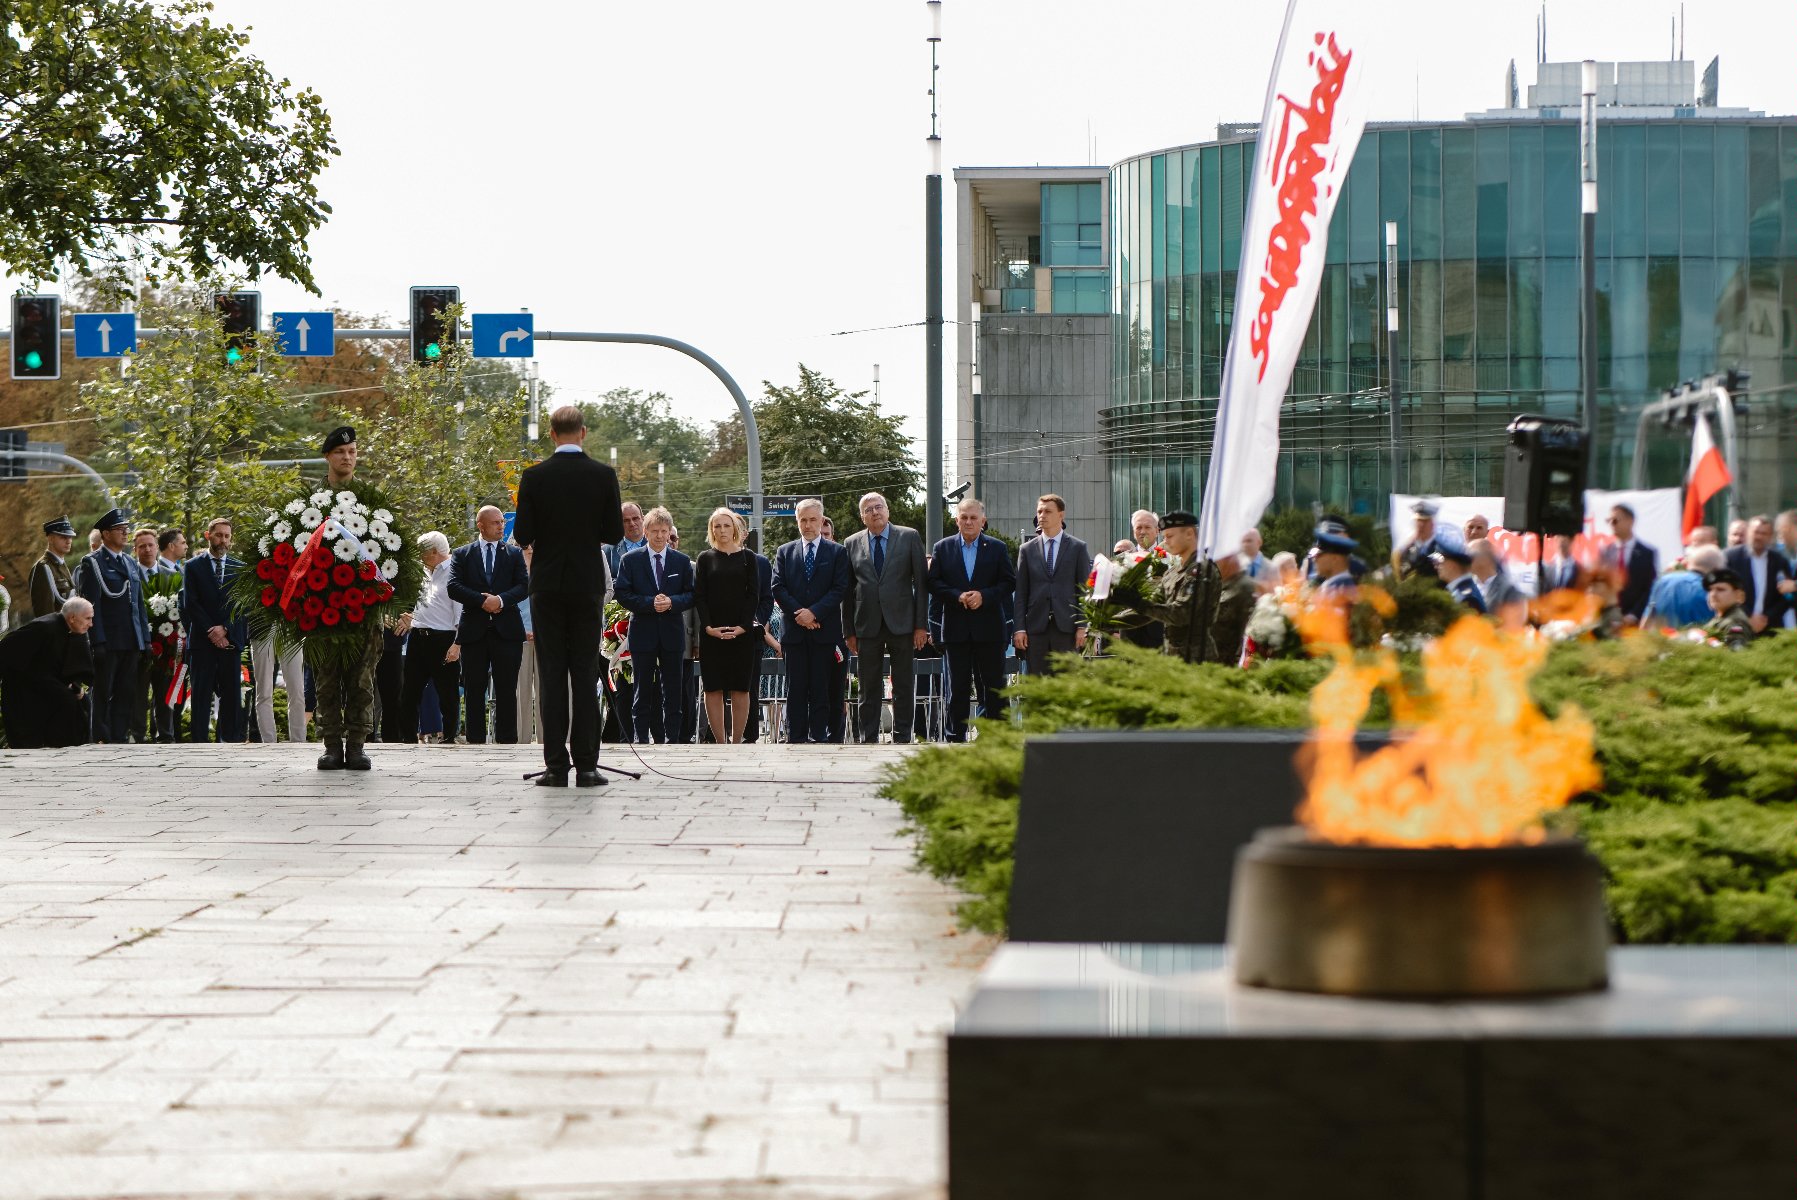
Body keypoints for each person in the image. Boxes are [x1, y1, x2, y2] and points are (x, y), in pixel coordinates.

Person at [511, 405, 624, 786]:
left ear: (552, 434)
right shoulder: (603, 475)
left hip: (546, 584)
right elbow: (613, 533)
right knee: (585, 673)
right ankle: (588, 766)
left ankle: (557, 766)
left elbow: (522, 533)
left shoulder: (534, 477)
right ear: (584, 433)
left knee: (553, 675)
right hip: (587, 583)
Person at [305, 426, 389, 771]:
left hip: (363, 605)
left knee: (361, 678)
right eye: (341, 452)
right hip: (323, 604)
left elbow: (387, 548)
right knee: (326, 678)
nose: (348, 457)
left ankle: (357, 744)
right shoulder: (311, 501)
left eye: (353, 451)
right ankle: (330, 745)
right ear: (328, 456)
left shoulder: (370, 499)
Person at [841, 491, 929, 743]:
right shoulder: (851, 543)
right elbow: (846, 591)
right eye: (868, 510)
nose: (874, 512)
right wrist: (848, 631)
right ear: (862, 517)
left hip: (903, 623)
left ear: (888, 511)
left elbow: (921, 585)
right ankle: (867, 737)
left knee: (902, 685)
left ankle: (902, 736)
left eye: (878, 507)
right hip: (866, 625)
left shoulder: (909, 536)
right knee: (868, 687)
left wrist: (920, 625)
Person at [926, 498, 1015, 740]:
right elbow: (933, 583)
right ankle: (955, 737)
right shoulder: (942, 548)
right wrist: (957, 596)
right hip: (956, 630)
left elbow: (1008, 582)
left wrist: (984, 596)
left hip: (989, 630)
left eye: (973, 518)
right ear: (956, 520)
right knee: (957, 688)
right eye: (963, 517)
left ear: (983, 521)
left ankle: (997, 738)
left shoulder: (997, 548)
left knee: (994, 688)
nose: (968, 522)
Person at [772, 498, 852, 743]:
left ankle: (819, 736)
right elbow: (778, 587)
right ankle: (795, 737)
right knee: (795, 688)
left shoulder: (837, 552)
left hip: (824, 632)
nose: (808, 525)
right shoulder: (785, 551)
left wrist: (814, 613)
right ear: (797, 521)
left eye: (812, 520)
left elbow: (840, 588)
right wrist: (801, 615)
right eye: (803, 520)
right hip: (794, 634)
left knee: (821, 688)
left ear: (821, 520)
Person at [447, 505, 529, 743]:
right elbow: (453, 586)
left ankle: (506, 741)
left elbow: (523, 586)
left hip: (507, 631)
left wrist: (500, 600)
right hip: (474, 630)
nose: (501, 527)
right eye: (496, 523)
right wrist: (482, 601)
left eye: (502, 522)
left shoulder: (513, 554)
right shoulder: (463, 554)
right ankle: (475, 740)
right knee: (474, 688)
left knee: (506, 688)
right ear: (480, 525)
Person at [615, 506, 692, 745]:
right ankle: (641, 737)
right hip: (643, 632)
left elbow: (691, 594)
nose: (660, 536)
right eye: (655, 531)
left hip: (672, 633)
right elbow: (622, 593)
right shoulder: (631, 560)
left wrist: (671, 602)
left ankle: (673, 738)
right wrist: (650, 603)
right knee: (642, 689)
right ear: (646, 532)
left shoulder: (681, 562)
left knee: (673, 689)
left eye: (664, 531)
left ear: (670, 533)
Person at [79, 507, 150, 743]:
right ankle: (100, 735)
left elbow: (137, 604)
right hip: (108, 640)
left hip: (130, 638)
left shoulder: (130, 563)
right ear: (106, 534)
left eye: (126, 529)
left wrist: (145, 639)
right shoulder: (93, 563)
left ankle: (119, 735)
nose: (125, 533)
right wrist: (96, 640)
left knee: (125, 691)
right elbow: (91, 604)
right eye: (120, 530)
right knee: (102, 691)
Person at [694, 508, 761, 744]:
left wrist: (743, 626)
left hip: (741, 633)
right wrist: (709, 627)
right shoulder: (705, 558)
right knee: (712, 688)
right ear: (711, 530)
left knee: (740, 688)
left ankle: (736, 742)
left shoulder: (748, 558)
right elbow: (699, 596)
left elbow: (753, 595)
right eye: (717, 526)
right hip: (712, 634)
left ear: (735, 528)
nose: (722, 530)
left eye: (726, 525)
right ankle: (720, 743)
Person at [181, 516, 246, 743]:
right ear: (208, 535)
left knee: (231, 694)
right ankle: (199, 742)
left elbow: (242, 604)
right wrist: (212, 629)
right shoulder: (192, 567)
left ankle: (230, 740)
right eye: (218, 535)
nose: (223, 540)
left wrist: (226, 629)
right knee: (201, 694)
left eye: (227, 536)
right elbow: (191, 603)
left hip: (230, 640)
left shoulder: (240, 568)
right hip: (202, 641)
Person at [1013, 494, 1091, 677]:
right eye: (1039, 511)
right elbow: (1021, 592)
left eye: (1048, 511)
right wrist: (1019, 628)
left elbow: (1083, 591)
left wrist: (1082, 626)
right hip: (1035, 628)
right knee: (1037, 687)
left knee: (1066, 685)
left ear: (1061, 515)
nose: (1042, 515)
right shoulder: (1026, 549)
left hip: (1067, 628)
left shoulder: (1077, 547)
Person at [0, 596, 95, 747]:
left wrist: (75, 685)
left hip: (48, 683)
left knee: (78, 701)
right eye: (88, 618)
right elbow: (7, 650)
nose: (91, 624)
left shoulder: (75, 632)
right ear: (72, 618)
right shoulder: (44, 627)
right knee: (66, 701)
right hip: (26, 687)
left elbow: (75, 667)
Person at [396, 531, 463, 744]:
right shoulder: (425, 572)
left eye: (422, 551)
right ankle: (407, 737)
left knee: (447, 692)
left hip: (444, 639)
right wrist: (411, 618)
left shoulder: (455, 572)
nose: (419, 555)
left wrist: (457, 645)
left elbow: (460, 613)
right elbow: (430, 605)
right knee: (409, 691)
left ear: (433, 552)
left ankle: (450, 736)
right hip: (418, 636)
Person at [1146, 510, 1221, 662]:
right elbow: (1152, 605)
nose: (1165, 541)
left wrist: (1138, 604)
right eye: (1164, 537)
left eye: (1170, 536)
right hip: (1173, 656)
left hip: (1197, 659)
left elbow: (1181, 613)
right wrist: (1110, 619)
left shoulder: (1202, 571)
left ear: (1189, 534)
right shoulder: (1171, 573)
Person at [1723, 515, 1795, 635]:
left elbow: (1786, 597)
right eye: (1756, 532)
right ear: (1748, 533)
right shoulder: (1731, 557)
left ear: (1771, 537)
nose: (1759, 537)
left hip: (1770, 627)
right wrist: (1749, 616)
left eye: (1764, 533)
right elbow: (1726, 591)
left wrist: (1766, 618)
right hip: (1737, 624)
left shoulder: (1779, 560)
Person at [1645, 545, 1727, 629]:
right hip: (1695, 640)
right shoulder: (1710, 592)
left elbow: (1647, 619)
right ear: (1716, 570)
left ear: (1689, 563)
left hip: (1659, 639)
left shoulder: (1662, 581)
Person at [1609, 504, 1658, 625]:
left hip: (1635, 622)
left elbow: (1650, 588)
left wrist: (1634, 615)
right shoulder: (1605, 552)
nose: (1611, 524)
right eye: (1608, 521)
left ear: (1630, 521)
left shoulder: (1647, 553)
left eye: (1615, 520)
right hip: (1609, 621)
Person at [1210, 550, 1256, 666]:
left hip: (1229, 661)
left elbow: (1247, 630)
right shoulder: (1217, 582)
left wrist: (1239, 661)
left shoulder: (1245, 587)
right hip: (1212, 658)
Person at [28, 517, 77, 619]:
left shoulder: (61, 565)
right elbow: (45, 613)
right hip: (56, 632)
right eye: (63, 537)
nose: (68, 541)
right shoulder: (43, 568)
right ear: (50, 538)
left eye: (70, 537)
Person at [515, 544, 540, 744]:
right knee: (519, 694)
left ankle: (547, 740)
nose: (530, 549)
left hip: (545, 638)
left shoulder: (547, 570)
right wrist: (520, 630)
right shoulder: (511, 572)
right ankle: (520, 740)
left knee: (546, 692)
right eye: (525, 546)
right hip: (518, 637)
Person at [1469, 538, 1526, 619]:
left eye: (1471, 555)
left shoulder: (1509, 589)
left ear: (1486, 559)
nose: (1465, 560)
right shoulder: (1467, 586)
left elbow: (1513, 624)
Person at [1702, 568, 1756, 650]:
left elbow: (1734, 656)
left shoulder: (1735, 623)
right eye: (1710, 590)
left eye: (1720, 589)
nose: (1713, 594)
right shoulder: (1721, 617)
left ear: (1739, 595)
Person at [1433, 541, 1489, 614]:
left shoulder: (1467, 598)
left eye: (1439, 560)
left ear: (1453, 565)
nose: (1436, 565)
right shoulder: (1461, 592)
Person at [1311, 519, 1360, 601]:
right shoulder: (1334, 587)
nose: (1314, 559)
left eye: (1318, 554)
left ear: (1334, 558)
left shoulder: (1340, 592)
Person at [1396, 499, 1442, 579]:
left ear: (1432, 524)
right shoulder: (1407, 549)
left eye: (1425, 521)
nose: (1421, 525)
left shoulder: (1442, 548)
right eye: (1418, 520)